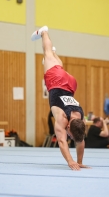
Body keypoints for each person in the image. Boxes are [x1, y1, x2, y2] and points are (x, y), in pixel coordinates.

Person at [31, 26, 89, 170]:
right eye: (69, 133)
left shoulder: (80, 121)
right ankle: (43, 32)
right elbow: (62, 142)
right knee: (47, 53)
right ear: (68, 126)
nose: (69, 135)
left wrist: (79, 161)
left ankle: (54, 52)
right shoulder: (62, 119)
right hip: (57, 81)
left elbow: (80, 140)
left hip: (71, 84)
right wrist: (71, 161)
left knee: (57, 65)